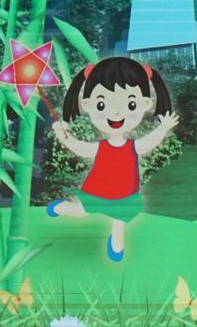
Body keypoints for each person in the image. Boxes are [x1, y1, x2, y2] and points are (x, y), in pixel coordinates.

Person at [45, 56, 177, 261]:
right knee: (83, 211)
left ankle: (116, 241)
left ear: (145, 104)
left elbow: (149, 142)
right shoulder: (101, 147)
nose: (116, 112)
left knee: (121, 216)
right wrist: (65, 138)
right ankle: (59, 207)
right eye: (102, 104)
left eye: (130, 104)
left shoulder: (132, 146)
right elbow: (81, 148)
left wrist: (163, 128)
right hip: (100, 189)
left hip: (124, 192)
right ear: (87, 105)